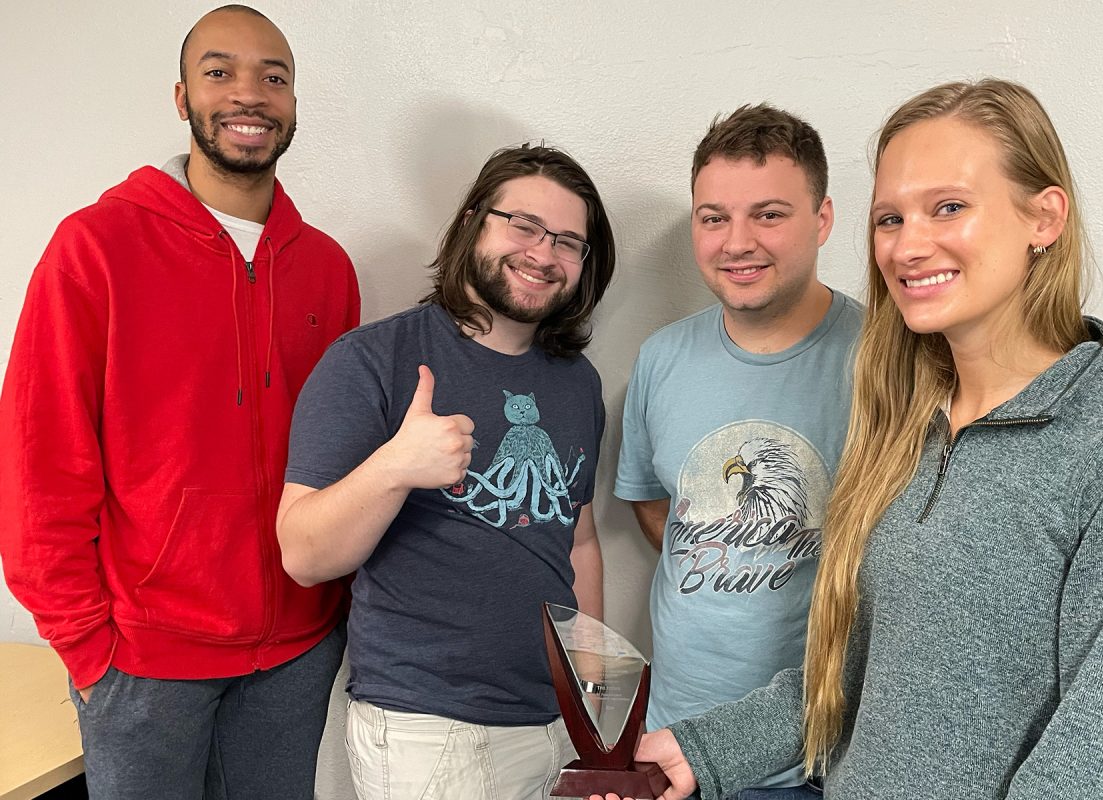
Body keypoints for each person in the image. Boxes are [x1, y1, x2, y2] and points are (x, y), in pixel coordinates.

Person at [612, 79, 1103, 800]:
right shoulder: (906, 421)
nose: (909, 245)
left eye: (948, 207)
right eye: (890, 218)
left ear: (1043, 217)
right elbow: (856, 672)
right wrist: (703, 747)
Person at [0, 5, 360, 799]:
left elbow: (339, 454)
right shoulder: (94, 248)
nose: (249, 95)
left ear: (295, 103)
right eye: (220, 71)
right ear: (181, 96)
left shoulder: (327, 269)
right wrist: (85, 644)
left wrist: (330, 615)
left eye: (275, 78)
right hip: (143, 660)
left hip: (295, 656)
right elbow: (38, 458)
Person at [277, 143, 616, 800]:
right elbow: (302, 553)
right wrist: (396, 468)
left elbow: (578, 538)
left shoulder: (578, 384)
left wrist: (593, 701)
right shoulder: (373, 361)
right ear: (470, 223)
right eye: (523, 225)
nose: (544, 254)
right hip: (432, 737)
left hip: (555, 724)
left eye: (569, 242)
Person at [614, 103, 860, 799]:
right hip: (670, 744)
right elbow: (658, 504)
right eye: (714, 217)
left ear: (823, 220)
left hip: (819, 757)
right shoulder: (660, 359)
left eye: (770, 214)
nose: (737, 242)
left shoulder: (883, 363)